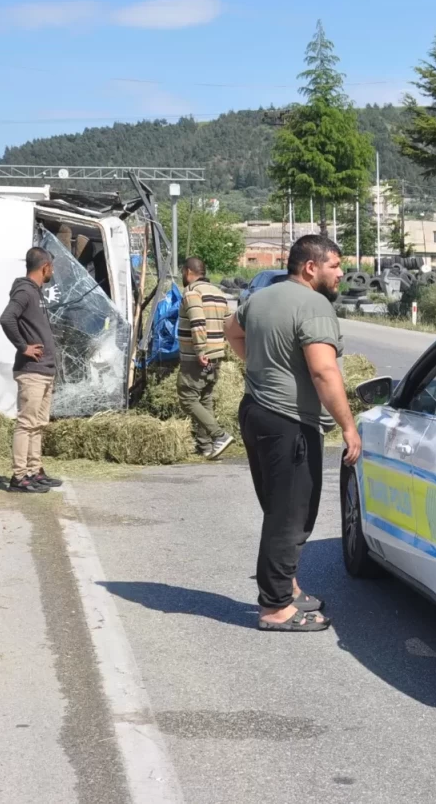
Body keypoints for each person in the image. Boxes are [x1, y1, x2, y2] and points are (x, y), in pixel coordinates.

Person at [226, 234, 361, 632]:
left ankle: (287, 585)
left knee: (277, 507)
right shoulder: (315, 305)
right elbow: (323, 371)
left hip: (256, 411)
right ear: (310, 267)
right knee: (292, 515)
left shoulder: (262, 297)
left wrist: (264, 369)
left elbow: (230, 330)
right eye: (335, 266)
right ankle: (275, 607)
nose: (341, 274)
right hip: (289, 421)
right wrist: (348, 427)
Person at [0, 247, 63, 494]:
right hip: (32, 371)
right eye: (52, 268)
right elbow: (7, 318)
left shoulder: (35, 293)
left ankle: (34, 471)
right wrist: (23, 346)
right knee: (26, 423)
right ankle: (19, 476)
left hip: (44, 370)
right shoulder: (25, 291)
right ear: (44, 267)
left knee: (38, 424)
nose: (52, 272)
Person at [177, 256, 234, 459]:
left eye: (183, 273)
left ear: (188, 272)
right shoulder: (219, 293)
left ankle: (219, 435)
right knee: (205, 397)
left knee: (187, 397)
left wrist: (201, 350)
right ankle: (207, 447)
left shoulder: (193, 292)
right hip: (217, 353)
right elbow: (229, 324)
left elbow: (198, 321)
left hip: (196, 356)